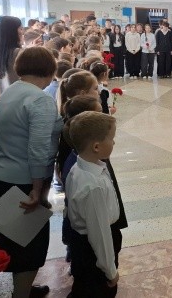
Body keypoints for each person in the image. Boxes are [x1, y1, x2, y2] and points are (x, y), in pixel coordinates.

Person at [0, 47, 62, 298]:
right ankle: (21, 294)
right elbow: (38, 149)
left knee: (16, 244)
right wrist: (37, 190)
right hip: (23, 181)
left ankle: (23, 289)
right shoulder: (40, 99)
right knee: (30, 248)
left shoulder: (10, 92)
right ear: (49, 70)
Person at [66, 111, 122, 297]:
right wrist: (110, 270)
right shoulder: (92, 186)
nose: (114, 143)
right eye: (111, 139)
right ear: (96, 146)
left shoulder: (78, 168)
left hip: (83, 244)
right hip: (92, 250)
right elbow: (100, 234)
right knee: (97, 290)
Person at [0, 16, 23, 95]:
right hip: (19, 97)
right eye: (20, 29)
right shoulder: (18, 52)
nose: (22, 32)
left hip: (4, 99)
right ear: (12, 32)